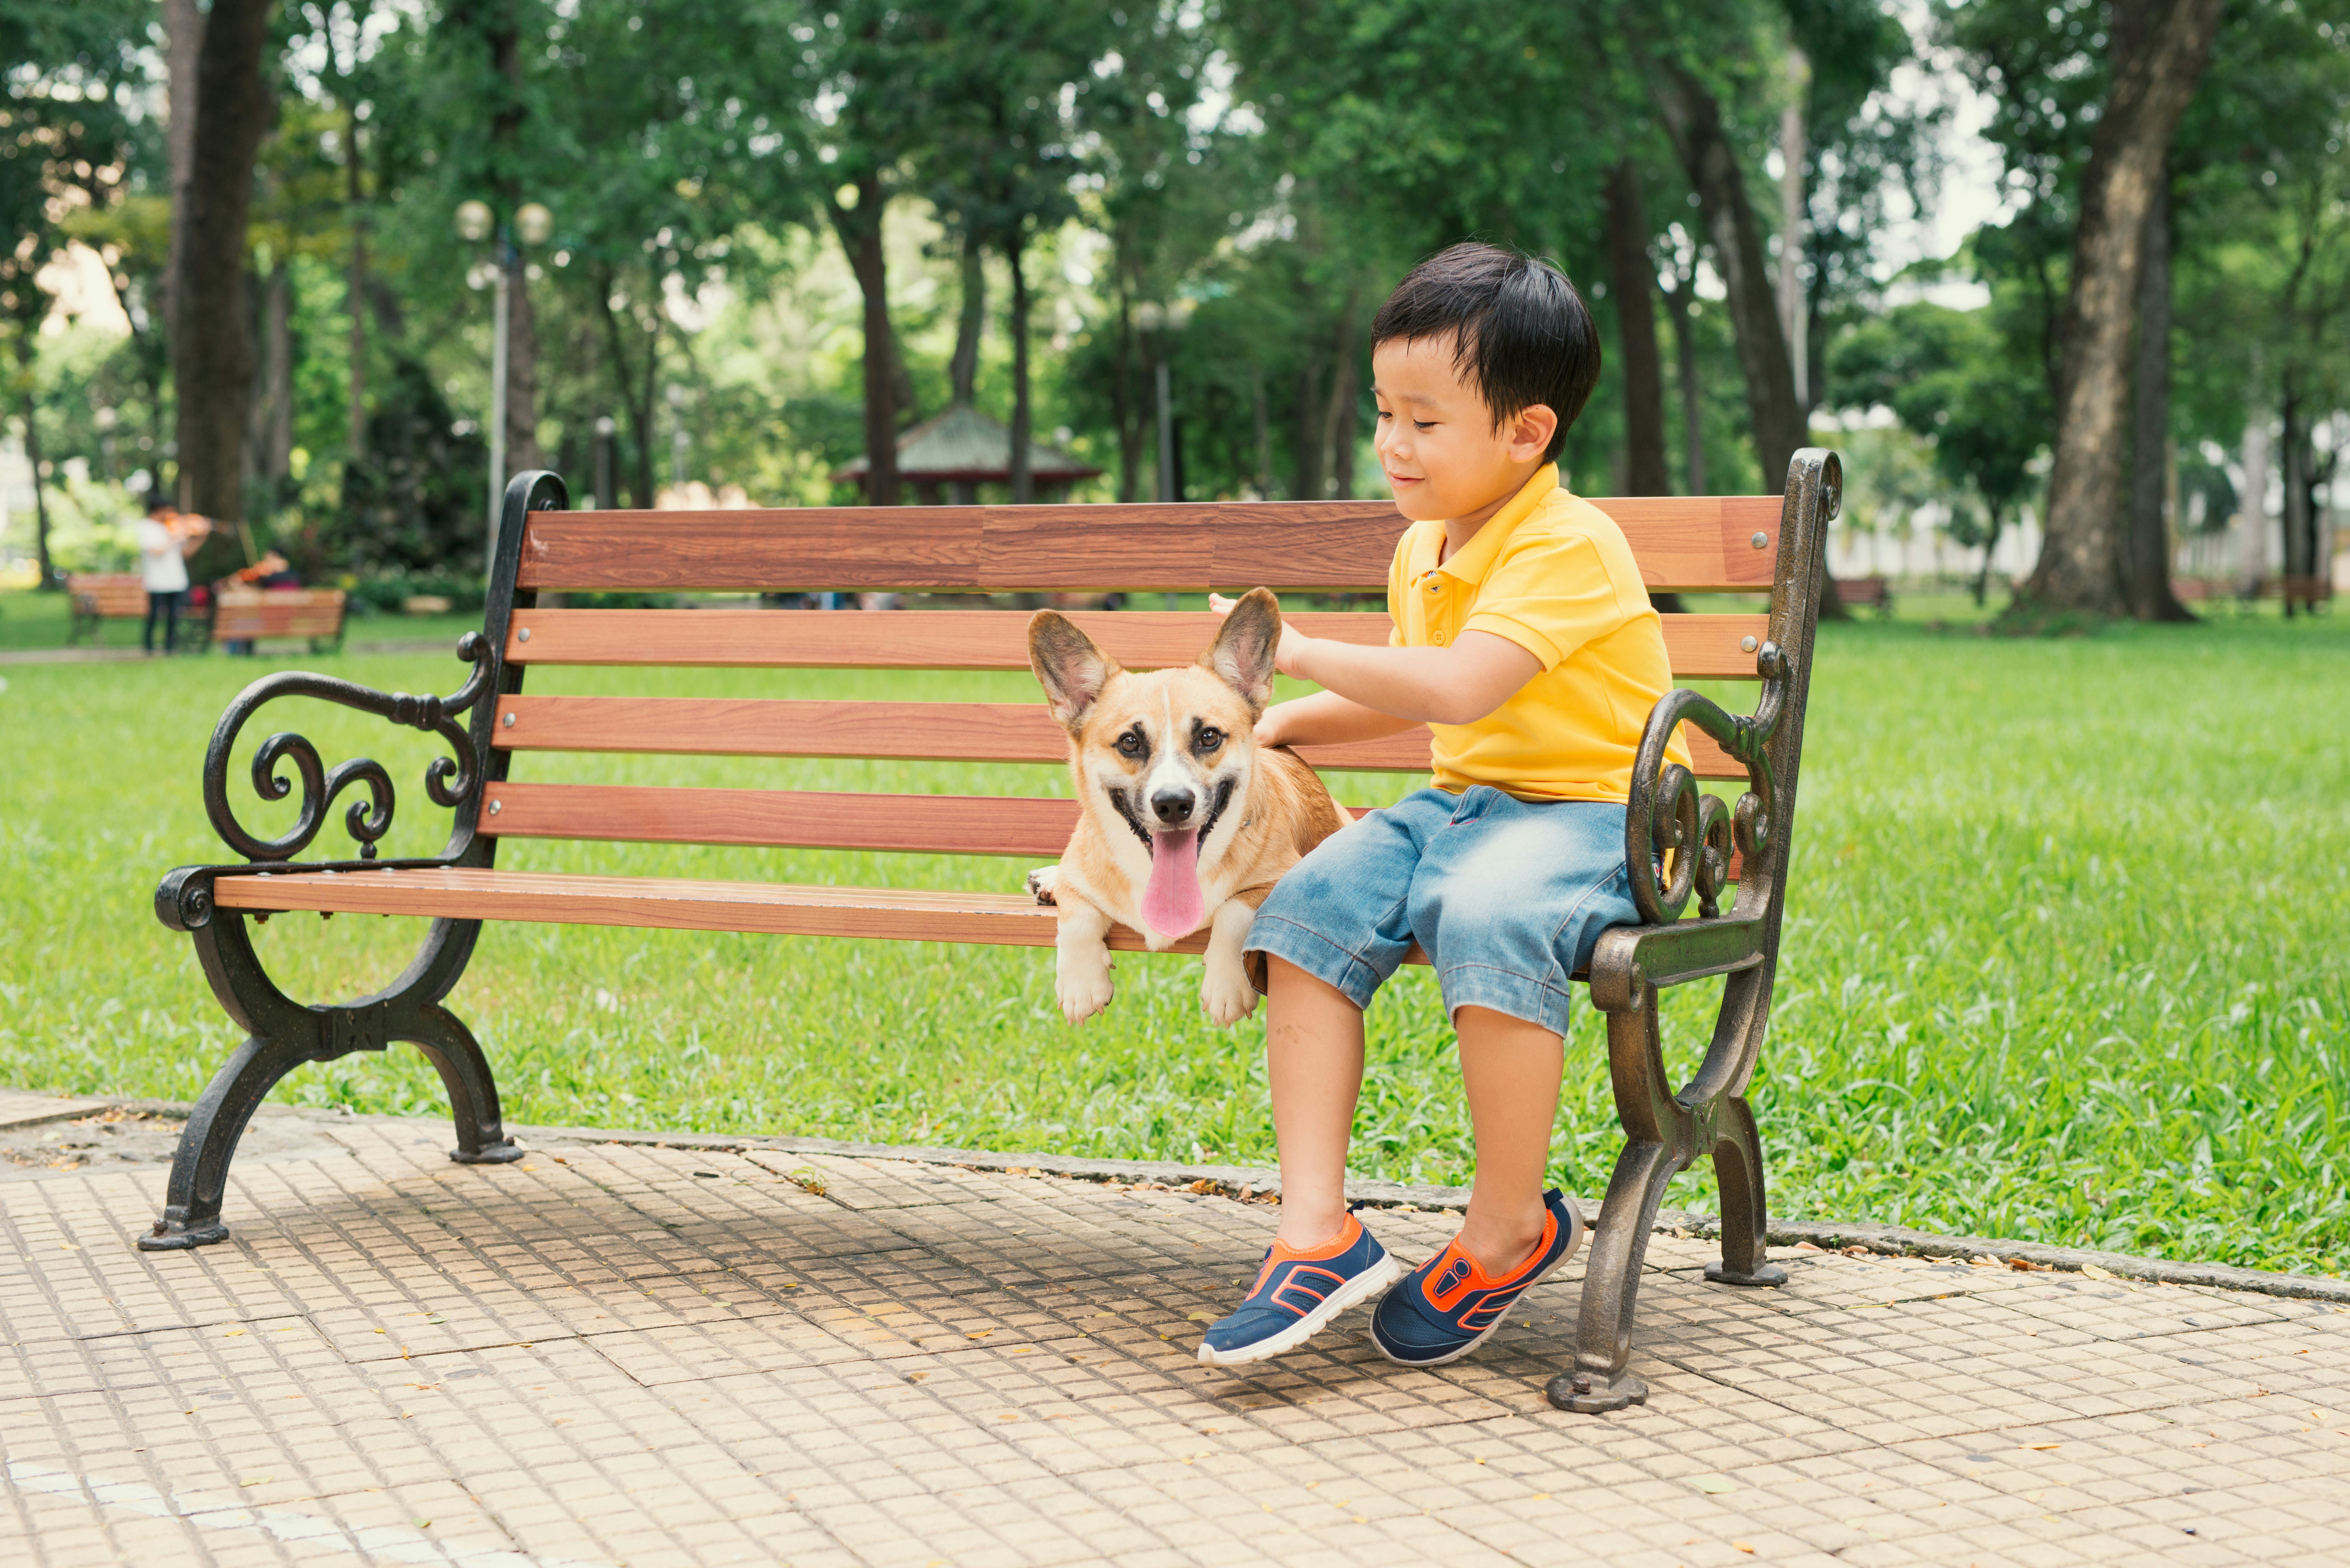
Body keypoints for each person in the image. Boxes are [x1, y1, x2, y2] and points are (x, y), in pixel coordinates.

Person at [1196, 242, 1692, 1370]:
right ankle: (1315, 1231)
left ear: (1527, 434)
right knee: (1308, 908)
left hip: (1594, 818)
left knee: (1483, 908)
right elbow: (1415, 696)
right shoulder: (1423, 547)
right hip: (1466, 801)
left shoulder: (1572, 543)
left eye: (1425, 421)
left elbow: (1463, 683)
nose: (1391, 444)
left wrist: (1292, 649)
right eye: (1384, 412)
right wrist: (1277, 723)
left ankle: (1511, 1227)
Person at [135, 500, 210, 655]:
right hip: (157, 581)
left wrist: (201, 537)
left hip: (176, 580)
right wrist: (175, 538)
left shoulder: (173, 528)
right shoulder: (147, 527)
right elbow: (156, 551)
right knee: (154, 615)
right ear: (158, 510)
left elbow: (187, 554)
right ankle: (149, 648)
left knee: (175, 616)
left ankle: (170, 647)